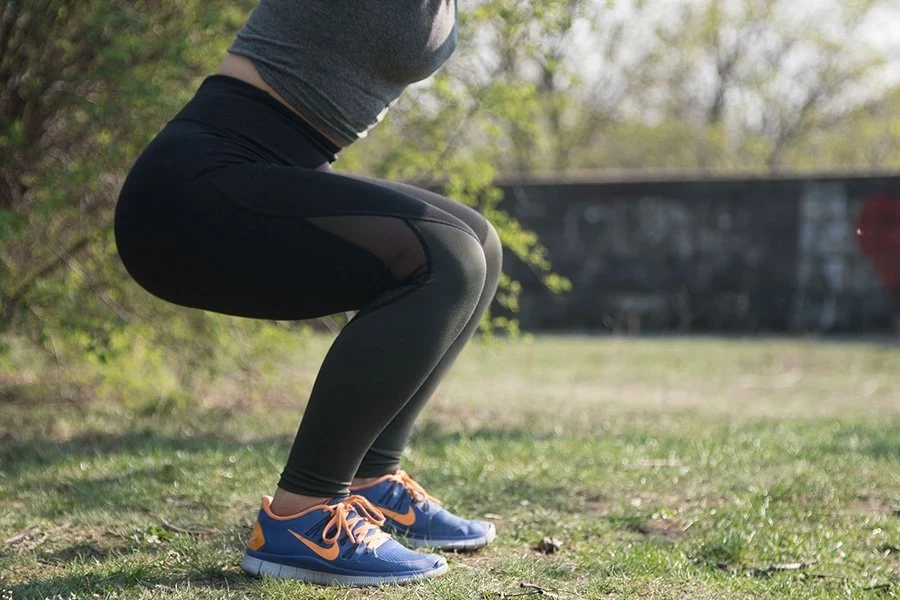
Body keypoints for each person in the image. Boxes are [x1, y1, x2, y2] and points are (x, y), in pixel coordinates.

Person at [113, 0, 502, 587]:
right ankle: (302, 517)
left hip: (267, 171)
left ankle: (371, 483)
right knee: (446, 257)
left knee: (478, 242)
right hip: (193, 187)